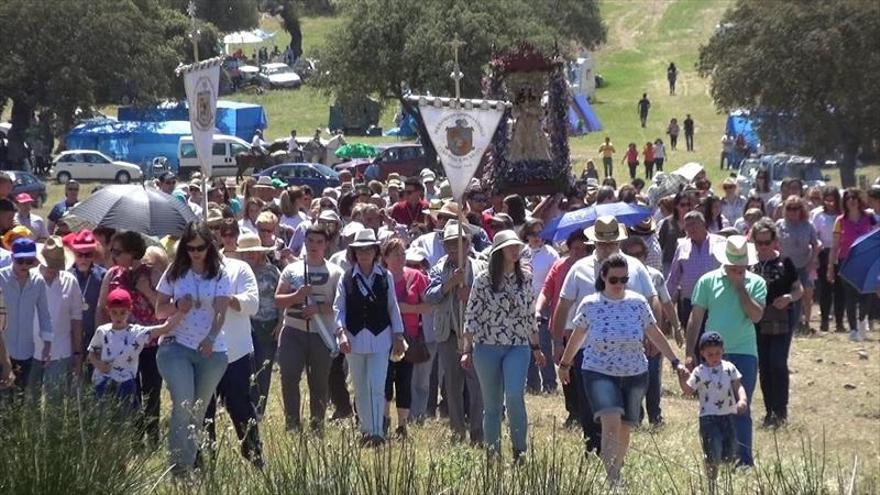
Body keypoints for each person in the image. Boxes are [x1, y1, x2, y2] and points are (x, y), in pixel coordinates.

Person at [558, 254, 685, 485]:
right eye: (614, 279)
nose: (619, 285)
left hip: (634, 372)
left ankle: (616, 468)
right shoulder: (590, 304)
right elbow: (577, 337)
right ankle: (613, 478)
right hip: (598, 371)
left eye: (624, 279)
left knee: (626, 426)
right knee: (611, 420)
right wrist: (565, 364)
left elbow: (654, 333)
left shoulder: (638, 302)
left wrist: (675, 361)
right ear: (603, 277)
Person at [551, 216, 658, 455]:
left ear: (619, 242)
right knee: (589, 408)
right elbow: (564, 305)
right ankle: (594, 452)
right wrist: (558, 342)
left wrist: (652, 336)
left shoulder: (636, 268)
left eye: (612, 243)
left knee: (624, 412)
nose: (607, 247)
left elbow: (653, 299)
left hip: (628, 353)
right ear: (594, 243)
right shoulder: (579, 269)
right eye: (602, 243)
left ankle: (615, 459)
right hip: (588, 352)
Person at [460, 230, 545, 459]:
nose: (515, 250)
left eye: (516, 246)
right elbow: (471, 316)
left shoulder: (525, 278)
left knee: (515, 395)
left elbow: (529, 314)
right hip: (486, 346)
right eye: (510, 247)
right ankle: (493, 453)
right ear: (499, 252)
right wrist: (466, 349)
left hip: (517, 345)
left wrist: (536, 347)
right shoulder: (483, 280)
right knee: (492, 405)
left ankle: (520, 450)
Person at [155, 221, 232, 474]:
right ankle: (177, 468)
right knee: (184, 403)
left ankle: (187, 464)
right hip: (176, 344)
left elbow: (221, 311)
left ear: (209, 246)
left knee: (198, 411)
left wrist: (211, 338)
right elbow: (159, 310)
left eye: (200, 247)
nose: (195, 253)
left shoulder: (220, 273)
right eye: (190, 248)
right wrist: (178, 306)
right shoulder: (174, 272)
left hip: (212, 350)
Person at [685, 235, 767, 466]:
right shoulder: (708, 281)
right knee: (713, 407)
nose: (738, 269)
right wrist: (690, 351)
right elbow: (696, 316)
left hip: (745, 351)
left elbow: (756, 316)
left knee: (741, 405)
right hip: (712, 354)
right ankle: (718, 456)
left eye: (742, 265)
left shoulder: (756, 283)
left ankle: (743, 460)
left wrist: (741, 288)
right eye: (734, 265)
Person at [333, 229, 406, 445]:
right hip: (354, 340)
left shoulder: (386, 276)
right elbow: (339, 308)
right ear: (353, 253)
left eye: (368, 249)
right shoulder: (345, 277)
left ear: (375, 252)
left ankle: (377, 432)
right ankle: (365, 429)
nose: (364, 253)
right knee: (360, 386)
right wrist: (341, 334)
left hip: (380, 337)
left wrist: (398, 335)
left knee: (376, 384)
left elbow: (393, 307)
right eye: (359, 250)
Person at [97, 230, 164, 445]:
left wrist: (145, 289)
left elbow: (163, 309)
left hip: (150, 342)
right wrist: (101, 341)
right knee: (129, 389)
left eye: (118, 251)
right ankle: (135, 438)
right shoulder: (112, 275)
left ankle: (152, 436)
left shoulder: (152, 274)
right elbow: (101, 308)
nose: (113, 255)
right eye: (112, 250)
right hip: (121, 344)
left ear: (133, 252)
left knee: (152, 390)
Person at [276, 225, 344, 431]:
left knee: (319, 383)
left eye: (319, 242)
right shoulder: (291, 270)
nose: (314, 246)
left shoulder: (335, 273)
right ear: (304, 242)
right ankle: (292, 425)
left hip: (321, 335)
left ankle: (317, 427)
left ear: (326, 245)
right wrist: (296, 296)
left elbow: (340, 306)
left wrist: (318, 308)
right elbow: (278, 300)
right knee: (288, 378)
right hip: (293, 332)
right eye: (311, 241)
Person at [424, 222, 486, 444]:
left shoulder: (480, 267)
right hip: (448, 334)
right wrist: (450, 284)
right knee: (452, 384)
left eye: (457, 244)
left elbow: (490, 297)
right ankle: (457, 430)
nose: (452, 249)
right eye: (449, 245)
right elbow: (429, 296)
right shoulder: (438, 268)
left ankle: (479, 432)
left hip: (474, 336)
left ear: (468, 244)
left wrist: (471, 293)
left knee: (477, 385)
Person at [89, 289, 184, 409]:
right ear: (108, 311)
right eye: (114, 312)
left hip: (126, 382)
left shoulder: (136, 332)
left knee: (125, 418)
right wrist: (99, 364)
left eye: (122, 312)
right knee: (102, 418)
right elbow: (92, 353)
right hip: (103, 381)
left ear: (129, 311)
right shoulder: (102, 331)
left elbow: (165, 328)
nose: (118, 316)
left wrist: (182, 312)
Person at [677, 332, 748, 487]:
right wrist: (682, 378)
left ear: (723, 351)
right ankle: (711, 483)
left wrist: (742, 399)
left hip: (727, 414)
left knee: (729, 452)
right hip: (708, 418)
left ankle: (727, 482)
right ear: (702, 353)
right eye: (710, 354)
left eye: (717, 353)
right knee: (713, 451)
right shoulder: (700, 372)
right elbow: (688, 390)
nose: (714, 357)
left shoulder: (729, 368)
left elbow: (738, 385)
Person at [750, 219, 802, 427]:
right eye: (759, 242)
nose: (763, 247)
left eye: (766, 242)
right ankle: (770, 409)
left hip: (781, 319)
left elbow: (799, 290)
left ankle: (781, 410)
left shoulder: (785, 263)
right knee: (764, 364)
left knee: (777, 362)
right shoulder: (750, 265)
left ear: (774, 241)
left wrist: (788, 298)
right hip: (757, 319)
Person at [540, 230, 592, 427]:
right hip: (563, 327)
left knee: (582, 371)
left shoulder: (591, 269)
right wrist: (538, 308)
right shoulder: (560, 266)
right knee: (566, 371)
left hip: (585, 330)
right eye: (575, 248)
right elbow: (547, 290)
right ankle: (573, 412)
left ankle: (585, 411)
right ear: (568, 249)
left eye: (582, 248)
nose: (578, 252)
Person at [381, 237, 430, 438]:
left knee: (404, 380)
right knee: (384, 381)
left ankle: (402, 425)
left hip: (408, 338)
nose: (401, 258)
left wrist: (406, 308)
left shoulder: (416, 276)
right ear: (385, 258)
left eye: (403, 253)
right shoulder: (380, 277)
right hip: (383, 337)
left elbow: (429, 307)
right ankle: (383, 419)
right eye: (395, 254)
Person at [29, 237, 83, 402]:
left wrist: (78, 353)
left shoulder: (70, 281)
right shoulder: (28, 278)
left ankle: (53, 429)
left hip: (60, 350)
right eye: (50, 264)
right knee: (29, 401)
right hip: (29, 350)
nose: (53, 269)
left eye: (56, 265)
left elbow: (76, 319)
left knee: (56, 404)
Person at [0, 238, 52, 398]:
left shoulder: (38, 282)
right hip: (2, 351)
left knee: (20, 401)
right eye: (19, 260)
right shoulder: (1, 278)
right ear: (12, 258)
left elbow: (45, 314)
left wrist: (48, 344)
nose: (23, 265)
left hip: (26, 351)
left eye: (28, 260)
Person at [236, 233, 281, 418]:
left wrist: (281, 322)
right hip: (245, 324)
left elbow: (280, 298)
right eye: (245, 253)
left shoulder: (272, 272)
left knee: (264, 368)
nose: (249, 256)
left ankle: (259, 410)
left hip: (268, 324)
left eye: (252, 252)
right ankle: (247, 408)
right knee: (247, 368)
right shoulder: (238, 272)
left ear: (260, 252)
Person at [666, 211, 722, 351]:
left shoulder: (719, 243)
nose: (690, 228)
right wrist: (666, 302)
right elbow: (673, 278)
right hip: (690, 302)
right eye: (687, 225)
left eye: (693, 224)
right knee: (694, 343)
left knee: (715, 342)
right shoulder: (682, 246)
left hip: (715, 302)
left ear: (703, 224)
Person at [827, 188, 876, 341]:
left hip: (866, 261)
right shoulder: (840, 221)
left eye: (855, 197)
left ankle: (862, 321)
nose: (852, 200)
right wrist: (830, 266)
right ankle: (853, 329)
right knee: (850, 296)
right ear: (845, 202)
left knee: (866, 294)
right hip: (846, 261)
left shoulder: (869, 217)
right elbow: (835, 246)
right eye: (848, 198)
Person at [520, 218, 559, 394]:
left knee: (543, 346)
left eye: (540, 234)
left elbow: (555, 281)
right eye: (533, 234)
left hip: (544, 306)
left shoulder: (551, 254)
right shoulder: (521, 253)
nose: (537, 237)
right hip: (523, 305)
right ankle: (532, 385)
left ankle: (549, 384)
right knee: (527, 347)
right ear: (527, 235)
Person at [775, 196, 818, 333]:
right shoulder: (780, 225)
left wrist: (812, 262)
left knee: (800, 294)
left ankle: (799, 323)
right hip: (784, 266)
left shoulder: (808, 225)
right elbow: (774, 243)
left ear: (801, 209)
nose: (792, 212)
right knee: (785, 294)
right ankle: (786, 322)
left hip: (802, 265)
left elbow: (815, 245)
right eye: (789, 208)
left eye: (796, 208)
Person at [69, 230, 107, 365]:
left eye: (88, 255)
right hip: (70, 335)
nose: (83, 259)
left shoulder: (103, 276)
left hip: (94, 333)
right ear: (74, 254)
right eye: (80, 254)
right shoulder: (67, 275)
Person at [811, 186, 844, 332]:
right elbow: (814, 235)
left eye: (833, 200)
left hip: (841, 253)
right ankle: (824, 321)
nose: (830, 203)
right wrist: (816, 254)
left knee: (840, 289)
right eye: (827, 200)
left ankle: (839, 322)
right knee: (825, 288)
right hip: (824, 252)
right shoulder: (818, 215)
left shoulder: (842, 215)